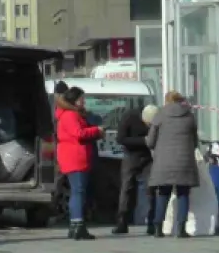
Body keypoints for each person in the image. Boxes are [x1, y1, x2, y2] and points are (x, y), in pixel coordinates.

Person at [146, 91, 200, 239]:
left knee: (163, 193)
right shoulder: (190, 116)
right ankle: (181, 229)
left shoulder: (160, 115)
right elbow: (195, 142)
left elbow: (150, 142)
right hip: (184, 162)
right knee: (183, 193)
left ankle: (158, 228)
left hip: (163, 162)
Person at [55, 86, 102, 240]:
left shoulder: (68, 114)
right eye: (82, 98)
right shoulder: (71, 115)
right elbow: (79, 134)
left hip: (72, 156)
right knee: (78, 191)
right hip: (76, 157)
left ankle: (75, 225)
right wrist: (97, 131)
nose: (84, 101)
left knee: (77, 191)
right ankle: (78, 225)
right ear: (74, 100)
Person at [113, 102, 157, 235]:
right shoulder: (129, 117)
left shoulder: (155, 118)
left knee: (152, 189)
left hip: (149, 157)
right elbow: (121, 138)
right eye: (148, 124)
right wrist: (144, 140)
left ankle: (152, 223)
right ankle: (122, 222)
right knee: (127, 188)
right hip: (131, 155)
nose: (149, 127)